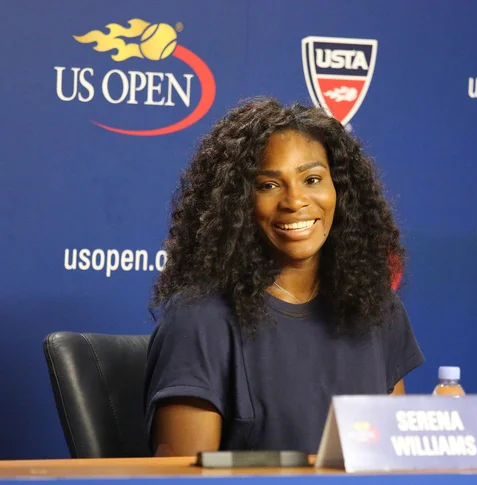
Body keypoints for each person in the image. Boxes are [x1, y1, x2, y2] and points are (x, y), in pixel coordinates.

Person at [145, 98, 424, 456]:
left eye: (312, 179)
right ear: (238, 203)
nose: (295, 201)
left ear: (340, 190)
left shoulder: (377, 308)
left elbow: (390, 464)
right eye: (269, 185)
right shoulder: (200, 320)